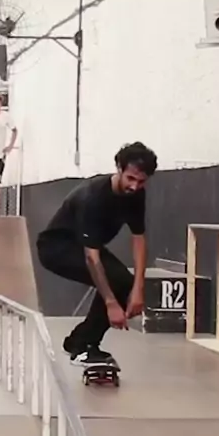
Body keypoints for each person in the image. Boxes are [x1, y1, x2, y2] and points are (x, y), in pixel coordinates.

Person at [37, 141, 158, 366]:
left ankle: (79, 342)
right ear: (119, 169)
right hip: (56, 247)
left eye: (141, 181)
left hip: (87, 247)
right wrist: (111, 303)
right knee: (115, 282)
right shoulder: (93, 197)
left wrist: (139, 289)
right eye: (130, 178)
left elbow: (139, 239)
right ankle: (82, 347)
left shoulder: (136, 195)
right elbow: (91, 257)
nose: (134, 186)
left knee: (125, 281)